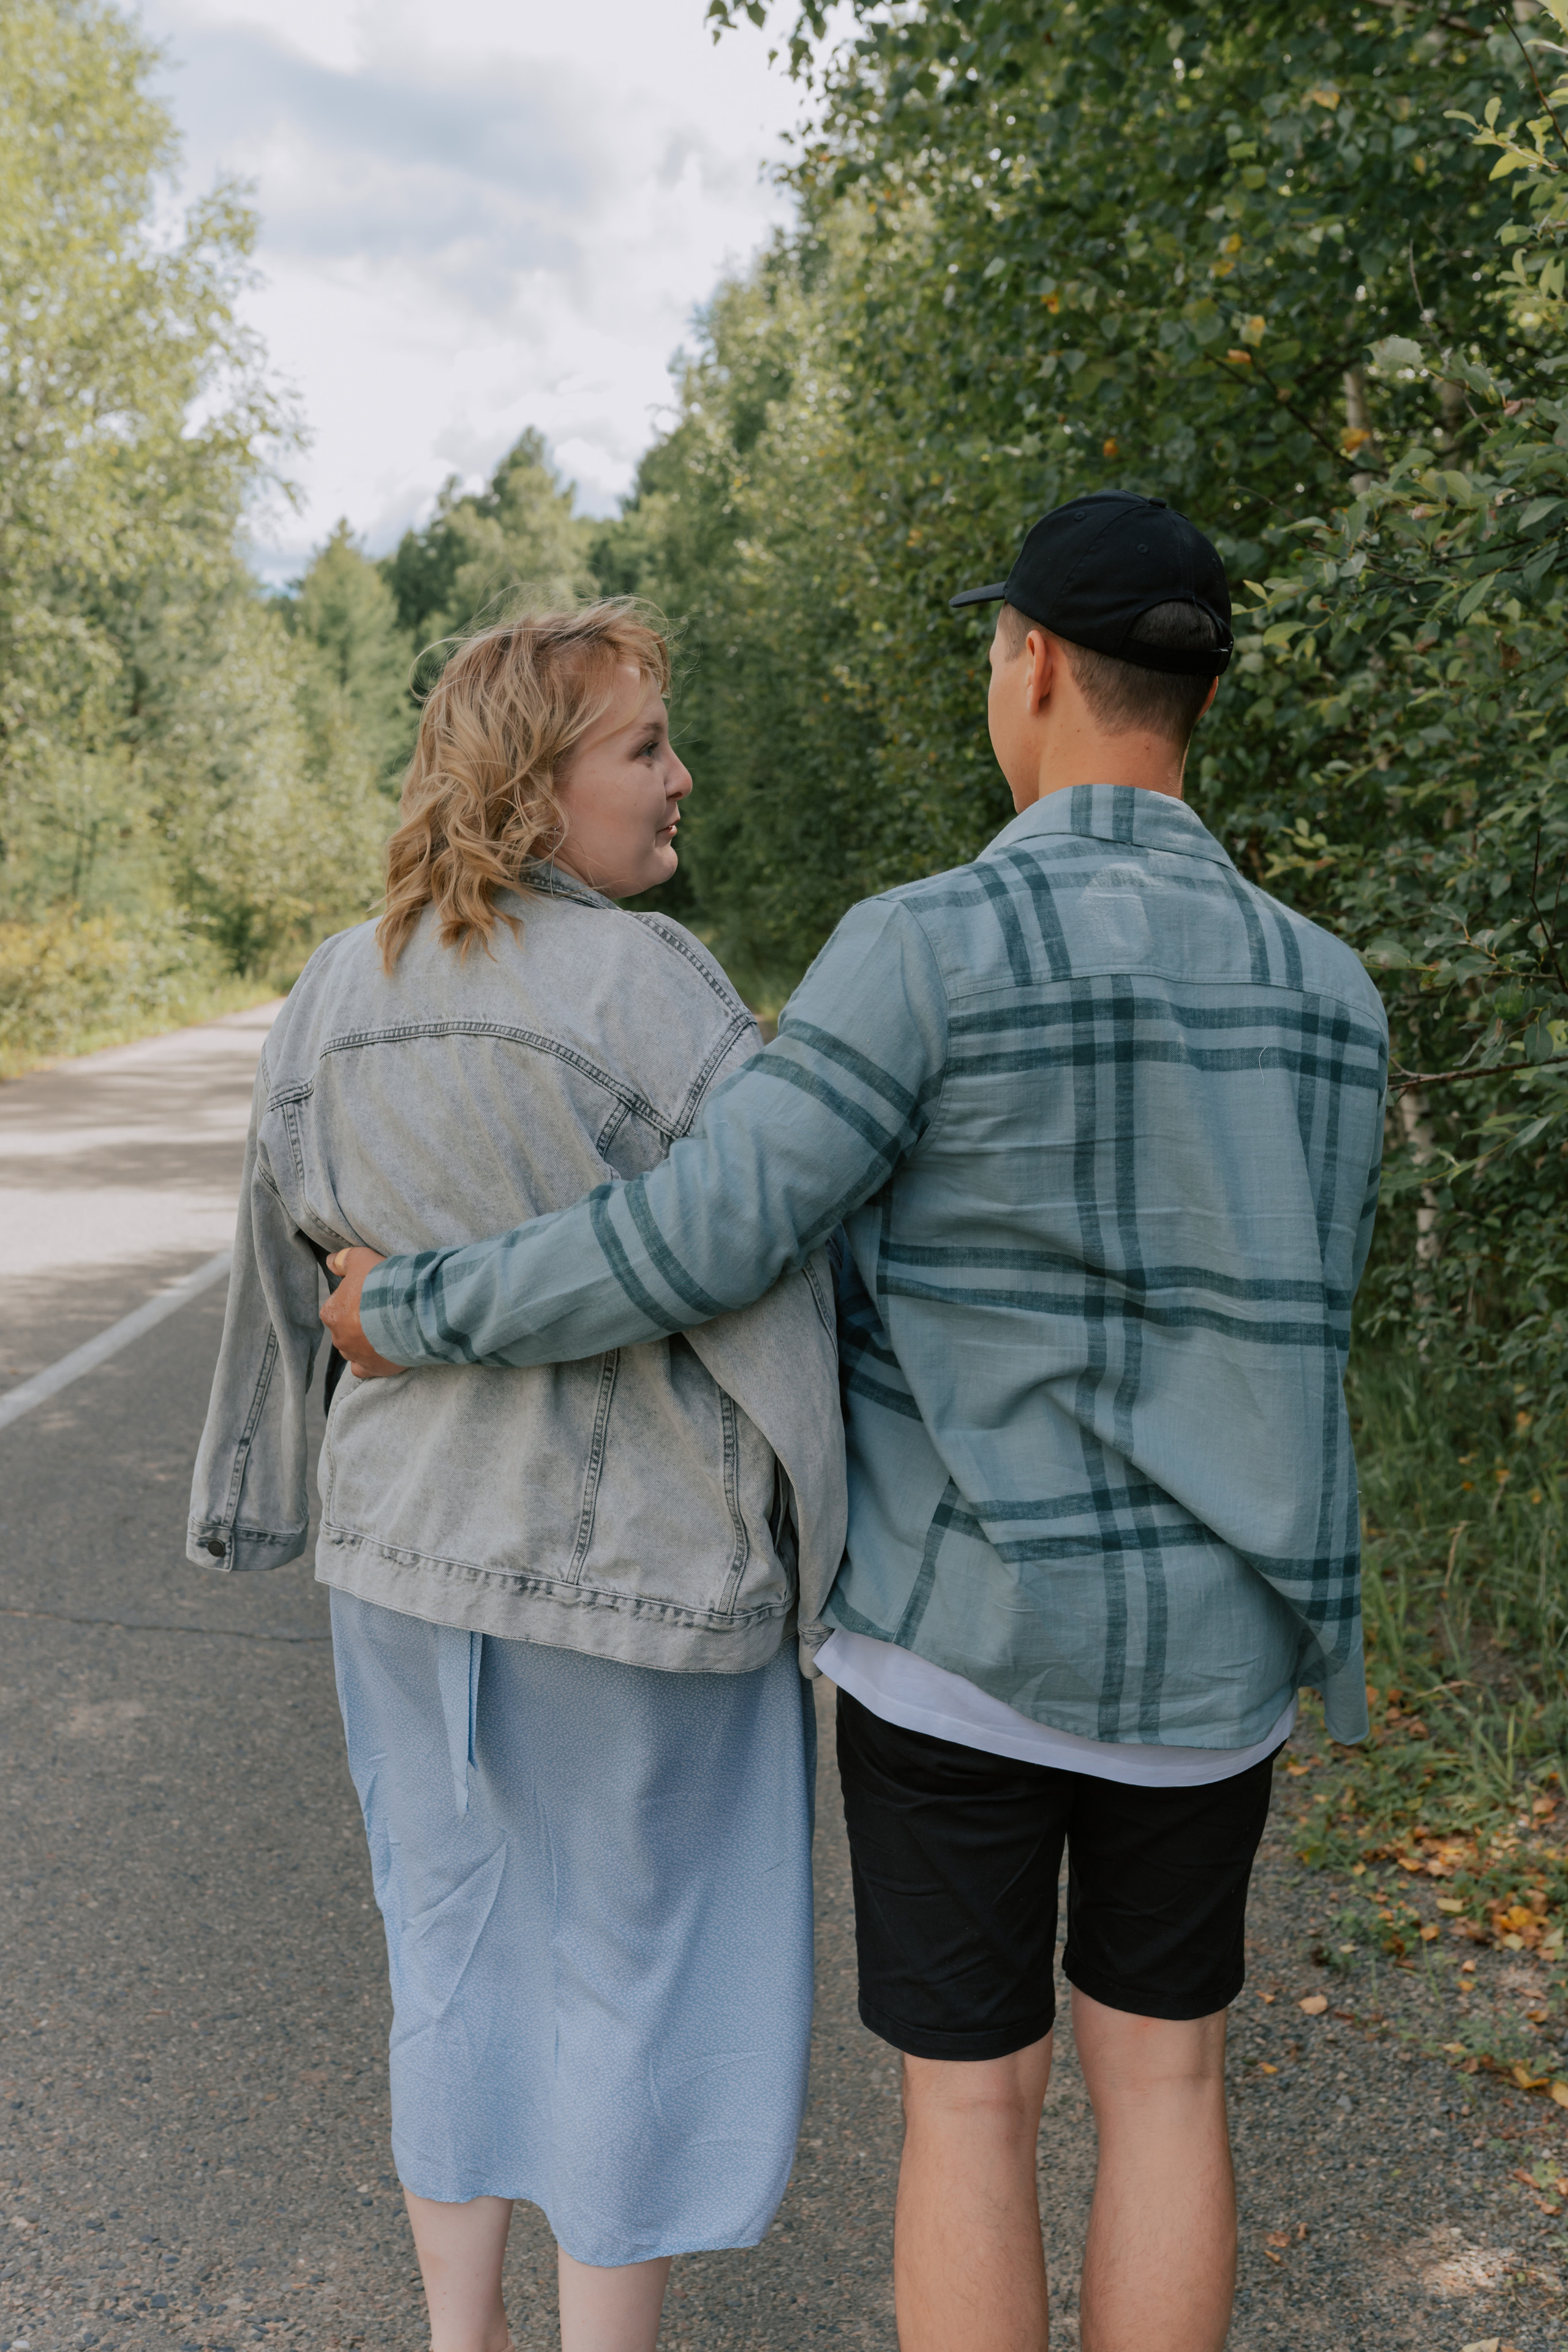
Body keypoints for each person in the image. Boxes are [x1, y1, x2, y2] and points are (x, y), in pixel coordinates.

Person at [323, 492, 1389, 2352]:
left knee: (975, 2106)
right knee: (1170, 2091)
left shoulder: (920, 951)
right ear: (1194, 694)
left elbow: (698, 1238)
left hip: (960, 1647)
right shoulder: (1332, 995)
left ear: (1034, 664)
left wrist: (411, 1307)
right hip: (1215, 1656)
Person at [187, 603, 846, 2352]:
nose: (680, 775)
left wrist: (258, 1488)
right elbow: (770, 1278)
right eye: (644, 747)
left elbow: (280, 1258)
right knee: (630, 1979)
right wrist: (831, 1546)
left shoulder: (342, 980)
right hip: (640, 1577)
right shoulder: (656, 987)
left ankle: (457, 2337)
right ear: (538, 784)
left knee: (450, 1951)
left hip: (400, 1560)